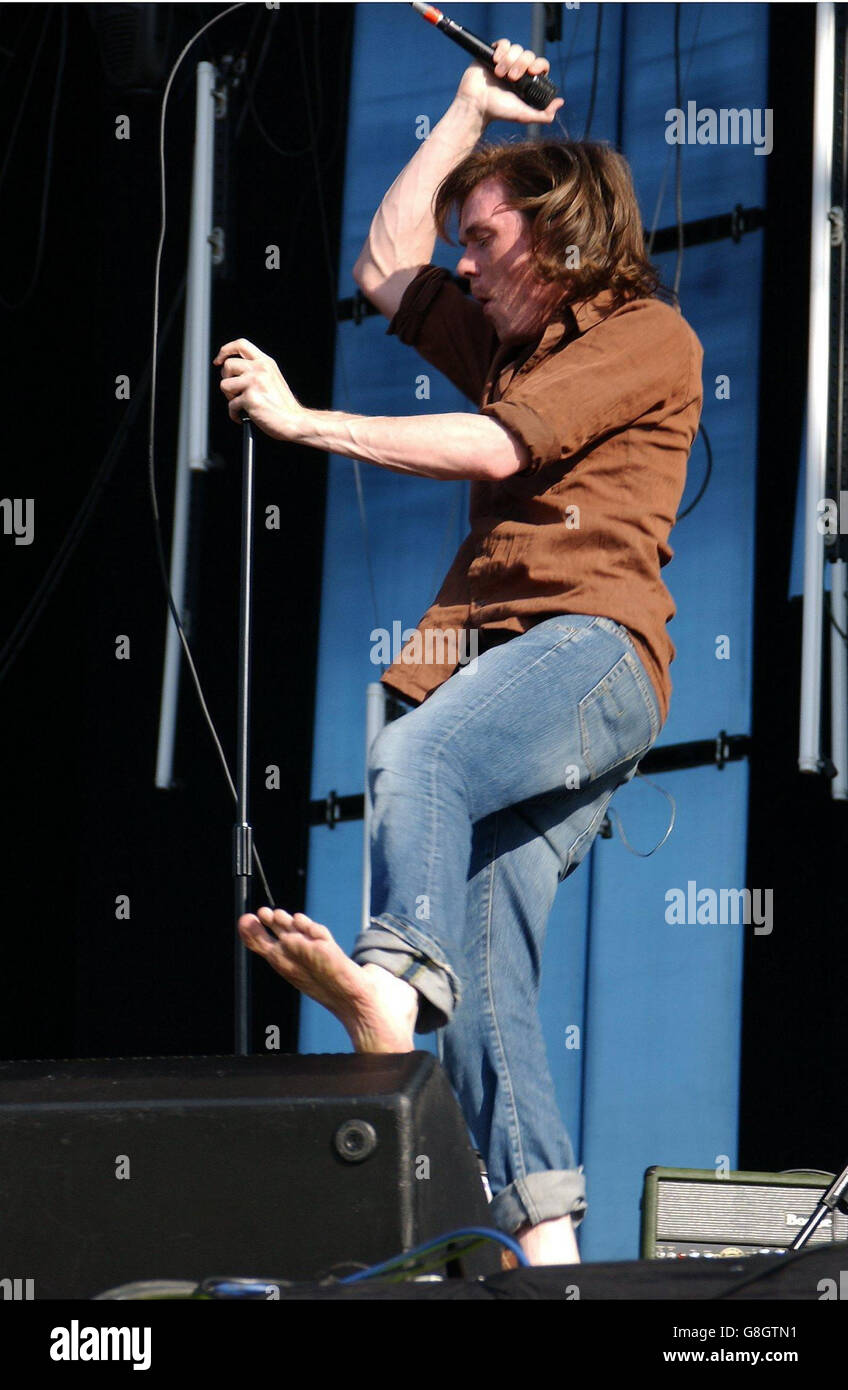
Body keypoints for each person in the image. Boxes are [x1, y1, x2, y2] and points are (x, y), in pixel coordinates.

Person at [214, 38, 703, 1267]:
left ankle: (387, 983)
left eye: (483, 240)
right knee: (485, 965)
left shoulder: (644, 334)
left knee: (420, 755)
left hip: (589, 651)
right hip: (512, 662)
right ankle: (550, 1253)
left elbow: (494, 452)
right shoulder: (508, 337)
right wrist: (465, 108)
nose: (464, 265)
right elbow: (385, 265)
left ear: (562, 238)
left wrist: (300, 419)